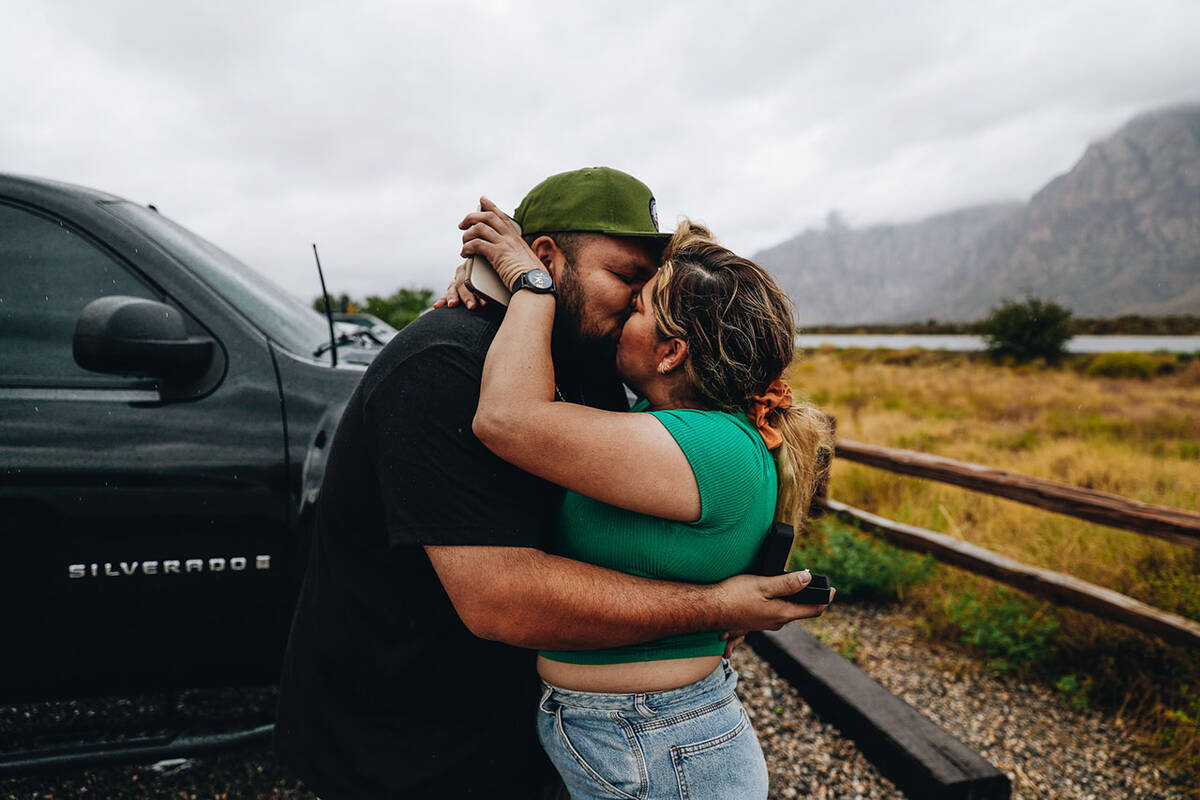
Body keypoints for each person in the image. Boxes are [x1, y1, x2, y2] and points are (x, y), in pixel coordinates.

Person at [274, 167, 830, 799]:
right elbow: (501, 597)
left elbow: (717, 384)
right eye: (627, 278)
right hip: (408, 734)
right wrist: (715, 607)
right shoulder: (447, 365)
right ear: (543, 258)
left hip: (538, 732)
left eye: (650, 287)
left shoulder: (593, 365)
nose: (635, 302)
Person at [460, 197, 834, 799]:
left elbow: (505, 418)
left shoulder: (711, 446)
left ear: (671, 351)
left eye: (637, 306)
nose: (621, 313)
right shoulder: (672, 424)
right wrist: (493, 285)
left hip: (657, 745)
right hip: (645, 738)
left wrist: (531, 285)